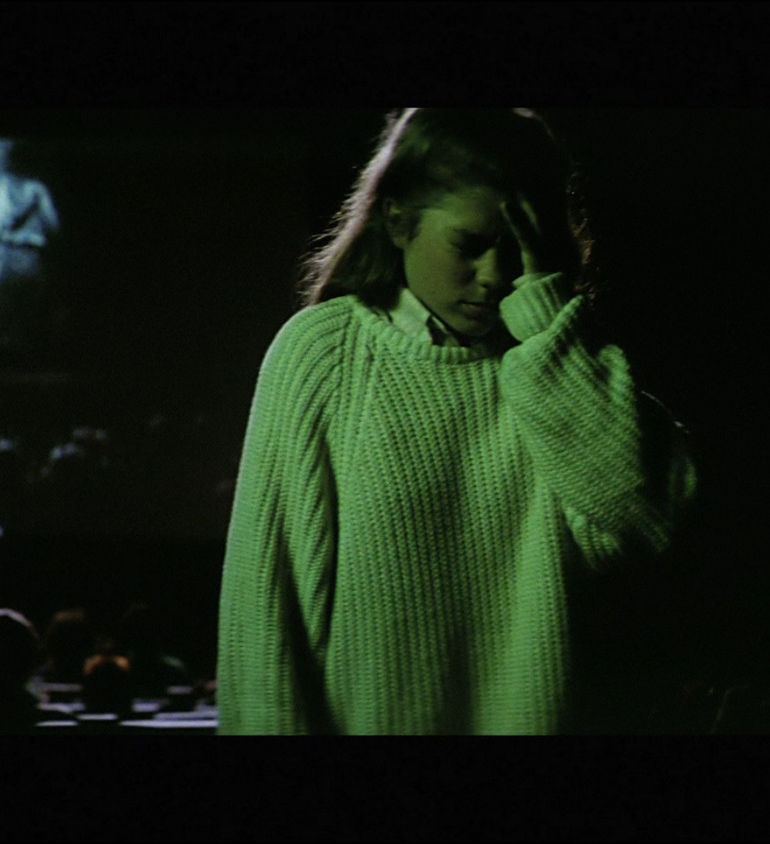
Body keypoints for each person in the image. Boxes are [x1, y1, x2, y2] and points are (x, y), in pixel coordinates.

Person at [217, 109, 698, 735]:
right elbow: (265, 616)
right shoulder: (326, 354)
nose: (496, 276)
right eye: (470, 245)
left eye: (519, 246)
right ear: (397, 220)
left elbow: (649, 522)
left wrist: (548, 336)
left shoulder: (560, 367)